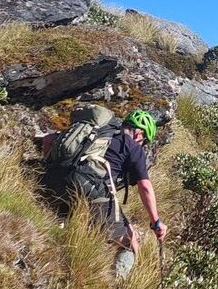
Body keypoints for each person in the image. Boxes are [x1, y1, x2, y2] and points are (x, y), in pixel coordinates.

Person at [41, 107, 166, 278]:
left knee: (70, 212)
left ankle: (62, 220)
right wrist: (156, 222)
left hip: (51, 180)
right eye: (144, 141)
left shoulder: (97, 131)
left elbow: (48, 140)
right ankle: (117, 286)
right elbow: (145, 187)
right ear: (139, 134)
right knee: (129, 242)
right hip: (90, 190)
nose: (142, 145)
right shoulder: (133, 147)